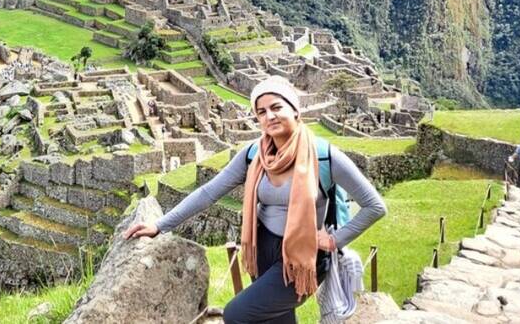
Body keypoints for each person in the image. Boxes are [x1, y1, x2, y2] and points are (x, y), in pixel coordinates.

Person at [124, 76, 387, 324]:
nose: (269, 116)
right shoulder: (254, 155)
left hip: (302, 258)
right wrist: (160, 225)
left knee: (237, 314)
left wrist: (334, 240)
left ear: (294, 109)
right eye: (261, 111)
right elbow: (209, 192)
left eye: (276, 107)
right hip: (261, 249)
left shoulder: (323, 156)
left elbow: (374, 206)